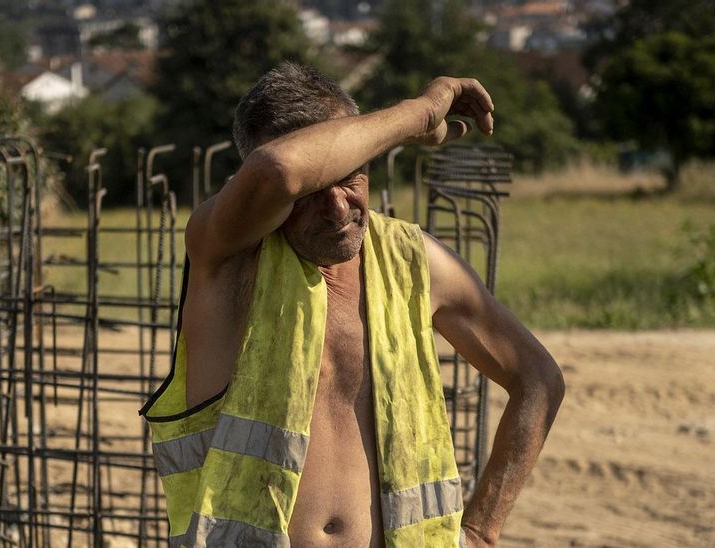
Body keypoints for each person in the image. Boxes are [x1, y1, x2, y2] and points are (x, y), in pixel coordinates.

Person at [141, 62, 564, 547]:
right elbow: (278, 170)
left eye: (350, 177)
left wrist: (480, 531)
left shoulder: (411, 261)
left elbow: (539, 379)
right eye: (311, 193)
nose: (339, 208)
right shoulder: (226, 253)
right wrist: (418, 114)